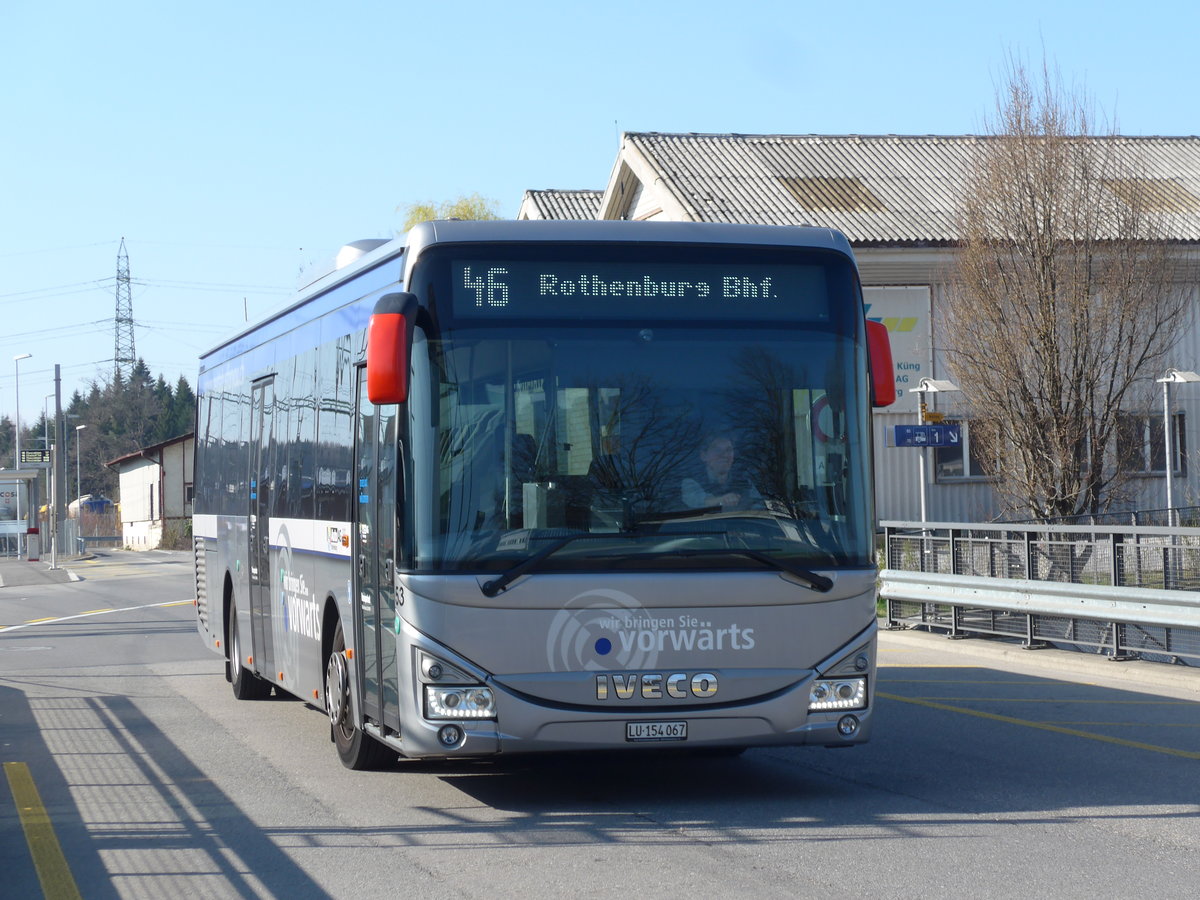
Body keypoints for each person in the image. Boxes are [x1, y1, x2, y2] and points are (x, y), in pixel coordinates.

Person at [680, 434, 761, 511]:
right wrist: (722, 500)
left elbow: (760, 507)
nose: (724, 455)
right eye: (717, 450)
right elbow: (698, 501)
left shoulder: (745, 482)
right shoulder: (691, 483)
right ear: (703, 456)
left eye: (728, 450)